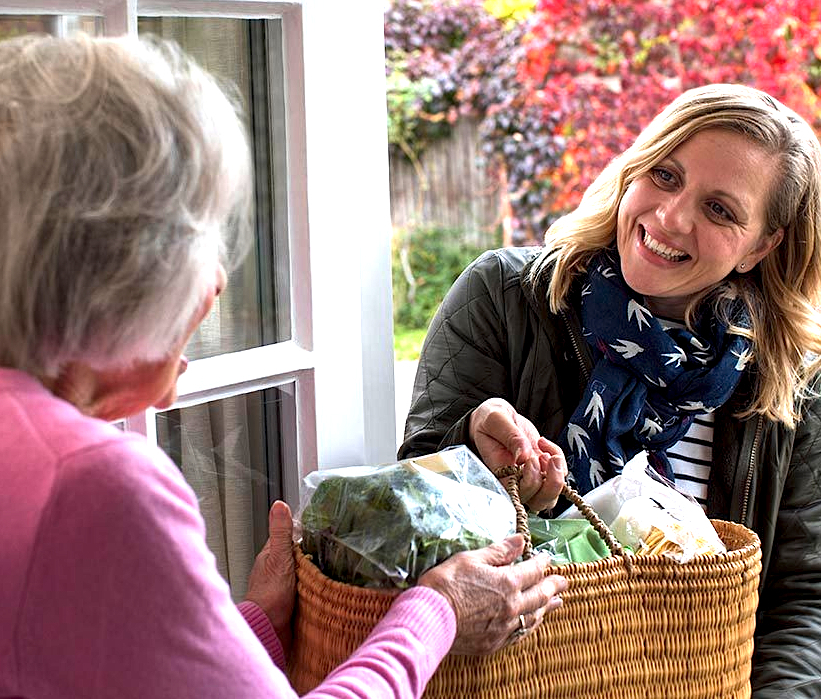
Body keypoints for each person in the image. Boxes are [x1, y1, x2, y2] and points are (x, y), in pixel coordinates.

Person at [0, 34, 568, 699]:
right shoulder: (93, 485)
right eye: (203, 233)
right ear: (121, 268)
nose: (218, 281)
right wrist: (437, 611)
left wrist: (254, 625)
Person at [400, 83, 821, 697]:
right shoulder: (503, 298)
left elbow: (803, 593)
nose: (671, 217)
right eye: (665, 175)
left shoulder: (790, 374)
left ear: (762, 245)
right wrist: (473, 451)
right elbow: (409, 515)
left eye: (720, 210)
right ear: (635, 167)